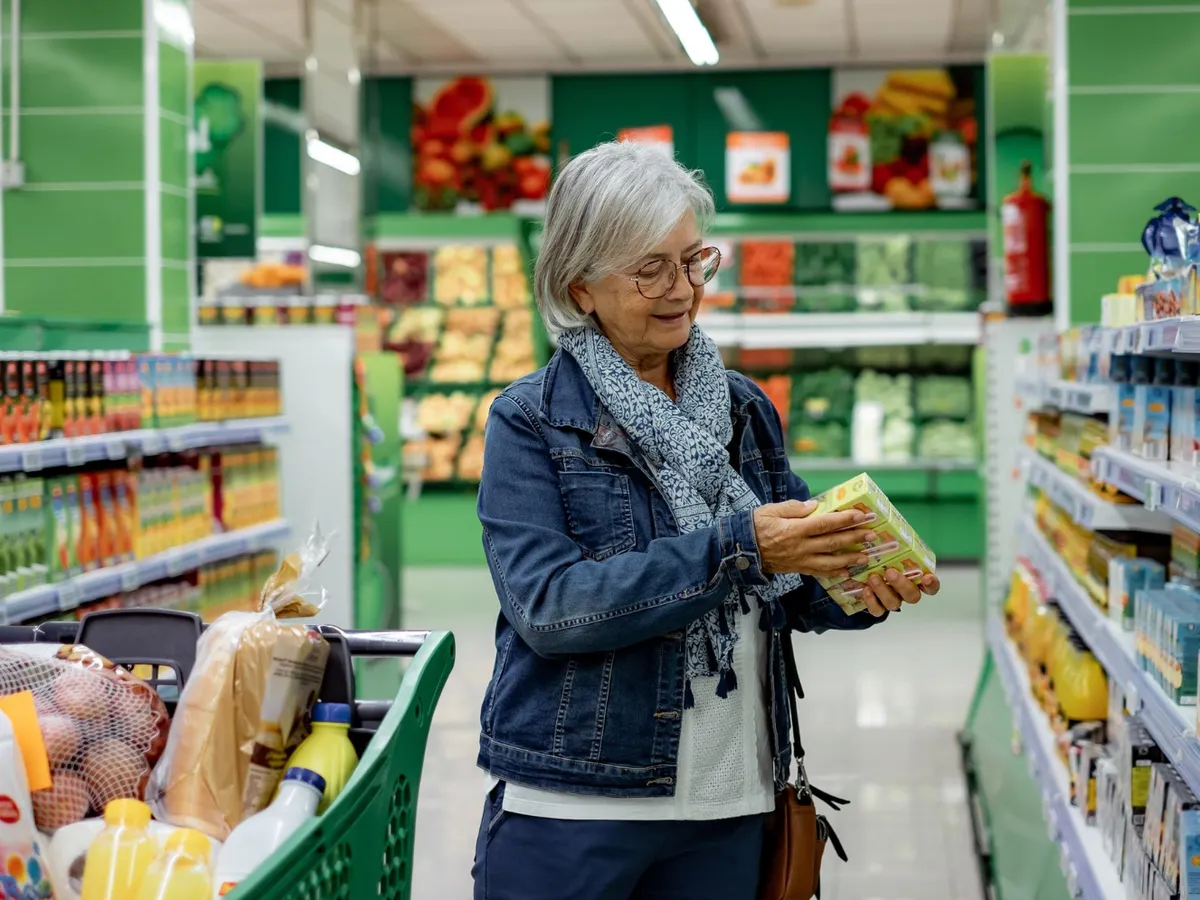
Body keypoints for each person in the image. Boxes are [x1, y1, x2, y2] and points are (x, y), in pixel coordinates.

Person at [472, 142, 941, 900]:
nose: (683, 289)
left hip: (730, 797)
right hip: (578, 802)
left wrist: (857, 583)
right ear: (579, 285)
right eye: (650, 269)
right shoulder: (531, 421)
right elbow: (551, 607)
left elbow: (786, 585)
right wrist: (741, 547)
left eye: (693, 261)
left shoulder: (742, 406)